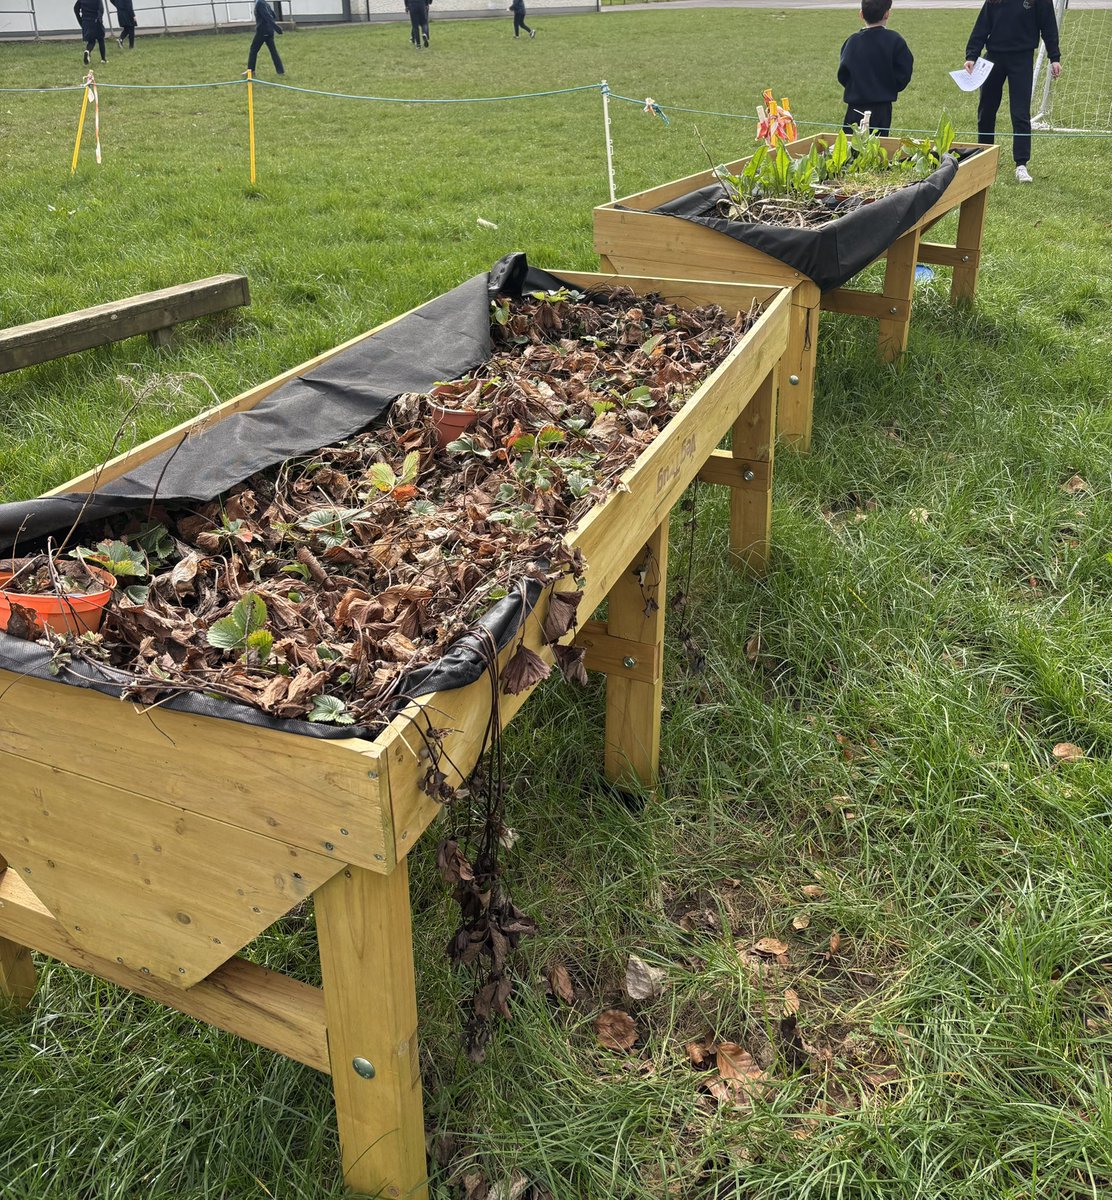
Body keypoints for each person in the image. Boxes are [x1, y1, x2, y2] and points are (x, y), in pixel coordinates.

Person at [964, 0, 1061, 183]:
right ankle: (984, 156)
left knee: (1020, 113)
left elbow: (1048, 26)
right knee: (986, 110)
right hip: (993, 59)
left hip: (1022, 60)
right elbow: (982, 26)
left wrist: (1054, 57)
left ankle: (1021, 164)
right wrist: (971, 55)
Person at [837, 0, 913, 137]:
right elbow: (904, 71)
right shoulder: (895, 40)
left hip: (855, 106)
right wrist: (889, 87)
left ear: (861, 14)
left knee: (851, 143)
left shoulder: (852, 41)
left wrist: (855, 87)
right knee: (878, 144)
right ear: (887, 14)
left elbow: (843, 73)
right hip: (882, 107)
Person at [247, 0, 285, 76]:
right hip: (269, 31)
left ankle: (251, 71)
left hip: (262, 31)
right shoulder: (266, 3)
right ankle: (280, 71)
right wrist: (273, 27)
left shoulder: (259, 3)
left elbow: (267, 16)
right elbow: (273, 15)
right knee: (273, 51)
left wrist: (277, 28)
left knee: (253, 49)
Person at [74, 0, 107, 65]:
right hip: (96, 20)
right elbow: (101, 9)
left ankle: (87, 51)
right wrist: (99, 19)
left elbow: (75, 9)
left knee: (91, 41)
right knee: (101, 39)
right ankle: (103, 59)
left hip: (86, 21)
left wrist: (80, 20)